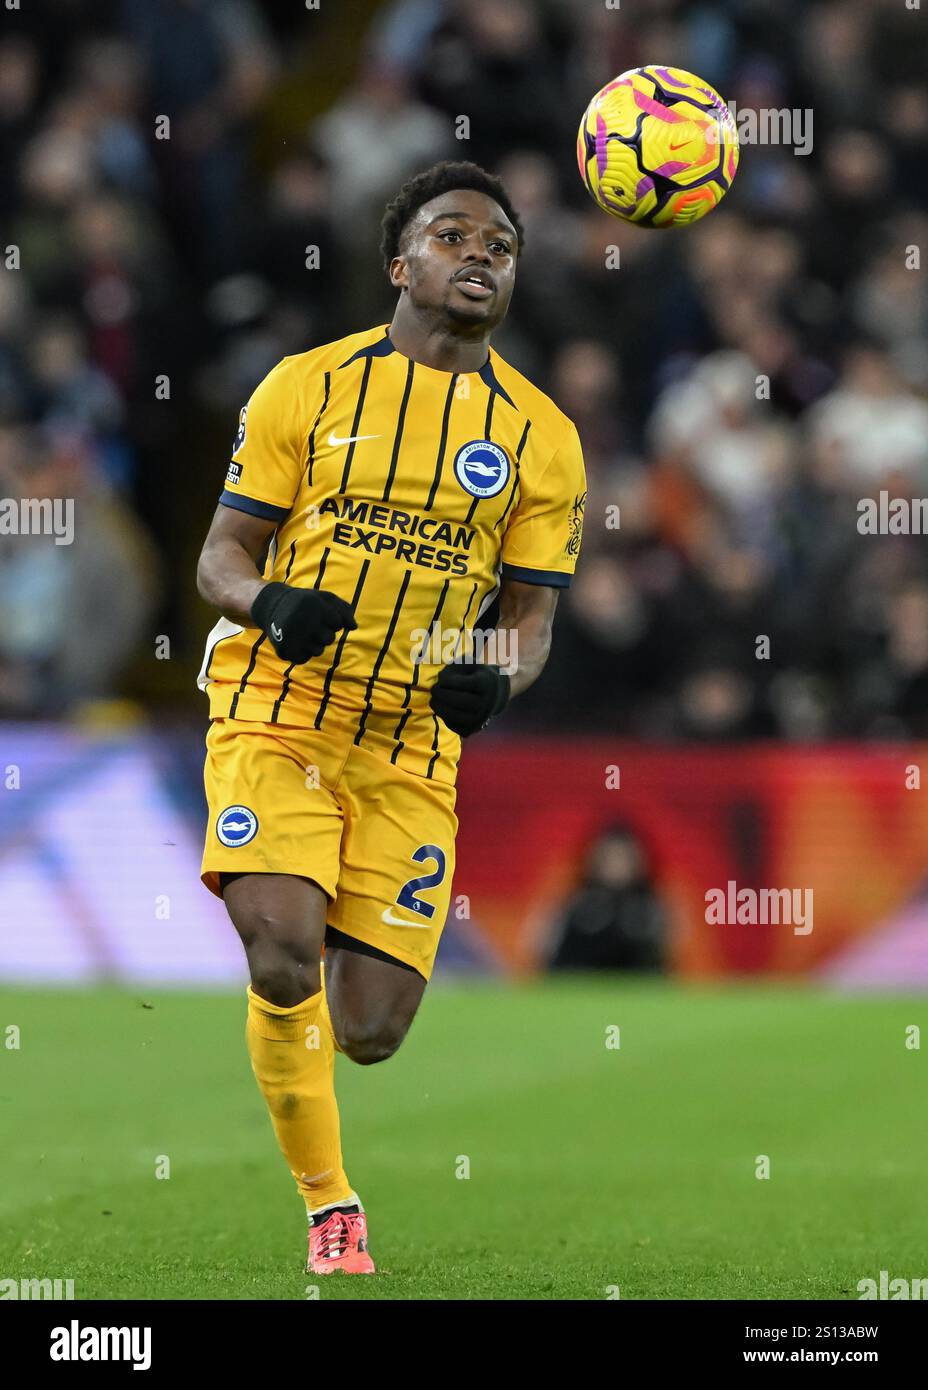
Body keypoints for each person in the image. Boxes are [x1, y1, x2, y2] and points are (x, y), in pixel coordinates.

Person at [195, 160, 586, 1275]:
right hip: (281, 705)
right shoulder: (304, 388)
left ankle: (327, 1095)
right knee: (281, 951)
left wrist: (494, 679)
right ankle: (330, 1204)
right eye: (455, 236)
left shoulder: (542, 437)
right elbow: (221, 557)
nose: (480, 256)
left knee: (368, 1031)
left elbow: (530, 624)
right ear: (398, 264)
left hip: (412, 742)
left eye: (500, 246)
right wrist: (271, 602)